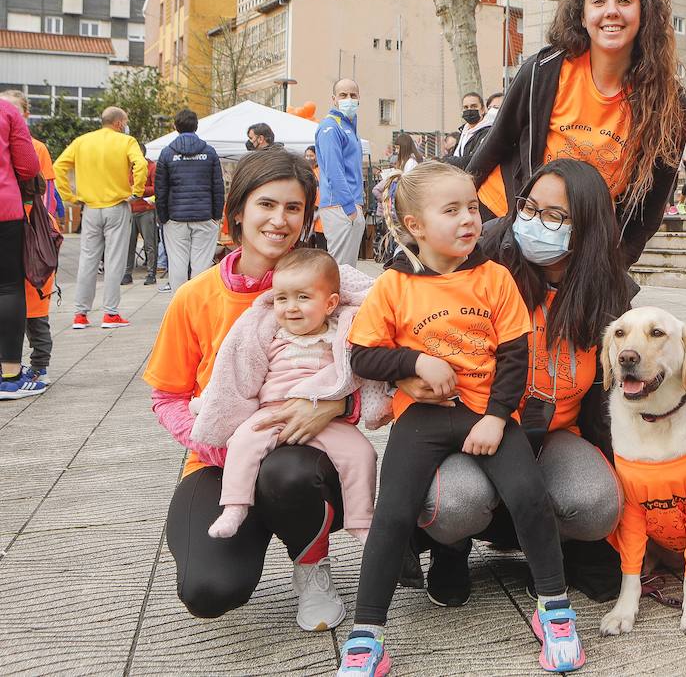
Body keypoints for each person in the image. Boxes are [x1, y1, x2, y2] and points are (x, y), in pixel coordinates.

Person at [341, 161, 585, 676]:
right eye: (450, 210)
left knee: (529, 497)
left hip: (488, 413)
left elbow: (516, 356)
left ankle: (554, 608)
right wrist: (413, 361)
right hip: (424, 417)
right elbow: (362, 355)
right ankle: (368, 634)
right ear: (416, 227)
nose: (468, 218)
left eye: (472, 206)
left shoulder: (494, 278)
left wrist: (497, 417)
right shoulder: (392, 287)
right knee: (393, 513)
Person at [144, 148, 364, 630]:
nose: (279, 220)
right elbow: (167, 396)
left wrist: (338, 401)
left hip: (300, 453)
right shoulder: (195, 296)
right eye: (266, 204)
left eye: (294, 208)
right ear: (238, 210)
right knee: (208, 590)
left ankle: (312, 566)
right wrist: (219, 443)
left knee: (288, 473)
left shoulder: (331, 283)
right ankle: (250, 524)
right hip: (218, 462)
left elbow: (373, 358)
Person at [403, 159, 627, 607]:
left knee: (598, 502)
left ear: (587, 226)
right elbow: (407, 277)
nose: (535, 223)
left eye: (555, 216)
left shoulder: (609, 294)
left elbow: (612, 397)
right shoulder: (485, 262)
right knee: (454, 505)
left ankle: (554, 552)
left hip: (554, 433)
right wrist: (408, 369)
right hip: (474, 429)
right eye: (529, 207)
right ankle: (451, 550)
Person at [467, 0, 686, 268]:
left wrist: (614, 265)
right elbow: (492, 148)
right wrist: (459, 216)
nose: (611, 11)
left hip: (578, 245)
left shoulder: (668, 103)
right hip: (506, 224)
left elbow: (649, 210)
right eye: (598, 1)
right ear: (582, 15)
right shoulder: (544, 71)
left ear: (644, 13)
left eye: (624, 0)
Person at [190, 248, 380, 543]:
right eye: (282, 298)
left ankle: (361, 519)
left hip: (326, 414)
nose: (291, 307)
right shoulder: (269, 332)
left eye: (303, 298)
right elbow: (240, 373)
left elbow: (358, 373)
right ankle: (234, 505)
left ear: (330, 303)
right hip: (272, 410)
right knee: (243, 441)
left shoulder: (341, 332)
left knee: (362, 453)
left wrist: (350, 403)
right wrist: (214, 403)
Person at [54, 106, 145, 330]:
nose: (126, 124)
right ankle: (110, 313)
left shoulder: (81, 141)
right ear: (118, 123)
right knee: (115, 259)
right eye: (125, 121)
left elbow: (58, 167)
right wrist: (137, 191)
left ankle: (80, 314)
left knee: (88, 260)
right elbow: (140, 164)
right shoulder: (127, 142)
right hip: (117, 206)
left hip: (90, 208)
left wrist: (70, 197)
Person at [0, 91, 56, 395]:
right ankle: (10, 377)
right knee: (8, 288)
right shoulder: (7, 112)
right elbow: (27, 166)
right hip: (4, 208)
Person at [157, 108, 225, 291]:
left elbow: (161, 189)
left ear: (175, 126)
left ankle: (180, 304)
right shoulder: (209, 152)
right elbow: (218, 187)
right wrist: (216, 215)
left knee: (177, 262)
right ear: (196, 126)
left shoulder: (166, 153)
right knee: (201, 264)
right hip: (204, 216)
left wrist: (163, 217)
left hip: (176, 217)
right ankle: (198, 302)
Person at [316, 78, 365, 267]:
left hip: (348, 205)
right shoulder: (331, 127)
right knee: (341, 268)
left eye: (353, 95)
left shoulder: (348, 127)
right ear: (334, 99)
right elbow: (333, 171)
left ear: (359, 98)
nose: (349, 99)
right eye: (343, 95)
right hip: (340, 206)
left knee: (347, 268)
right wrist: (350, 208)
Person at [123, 146, 158, 286]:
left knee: (149, 243)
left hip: (146, 209)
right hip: (130, 210)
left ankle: (151, 273)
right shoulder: (127, 169)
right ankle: (127, 273)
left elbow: (157, 188)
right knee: (128, 244)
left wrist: (139, 190)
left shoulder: (151, 167)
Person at [453, 91, 495, 168]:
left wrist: (446, 161)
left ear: (482, 110)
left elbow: (473, 159)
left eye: (474, 106)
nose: (469, 110)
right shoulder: (463, 132)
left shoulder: (488, 132)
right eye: (466, 107)